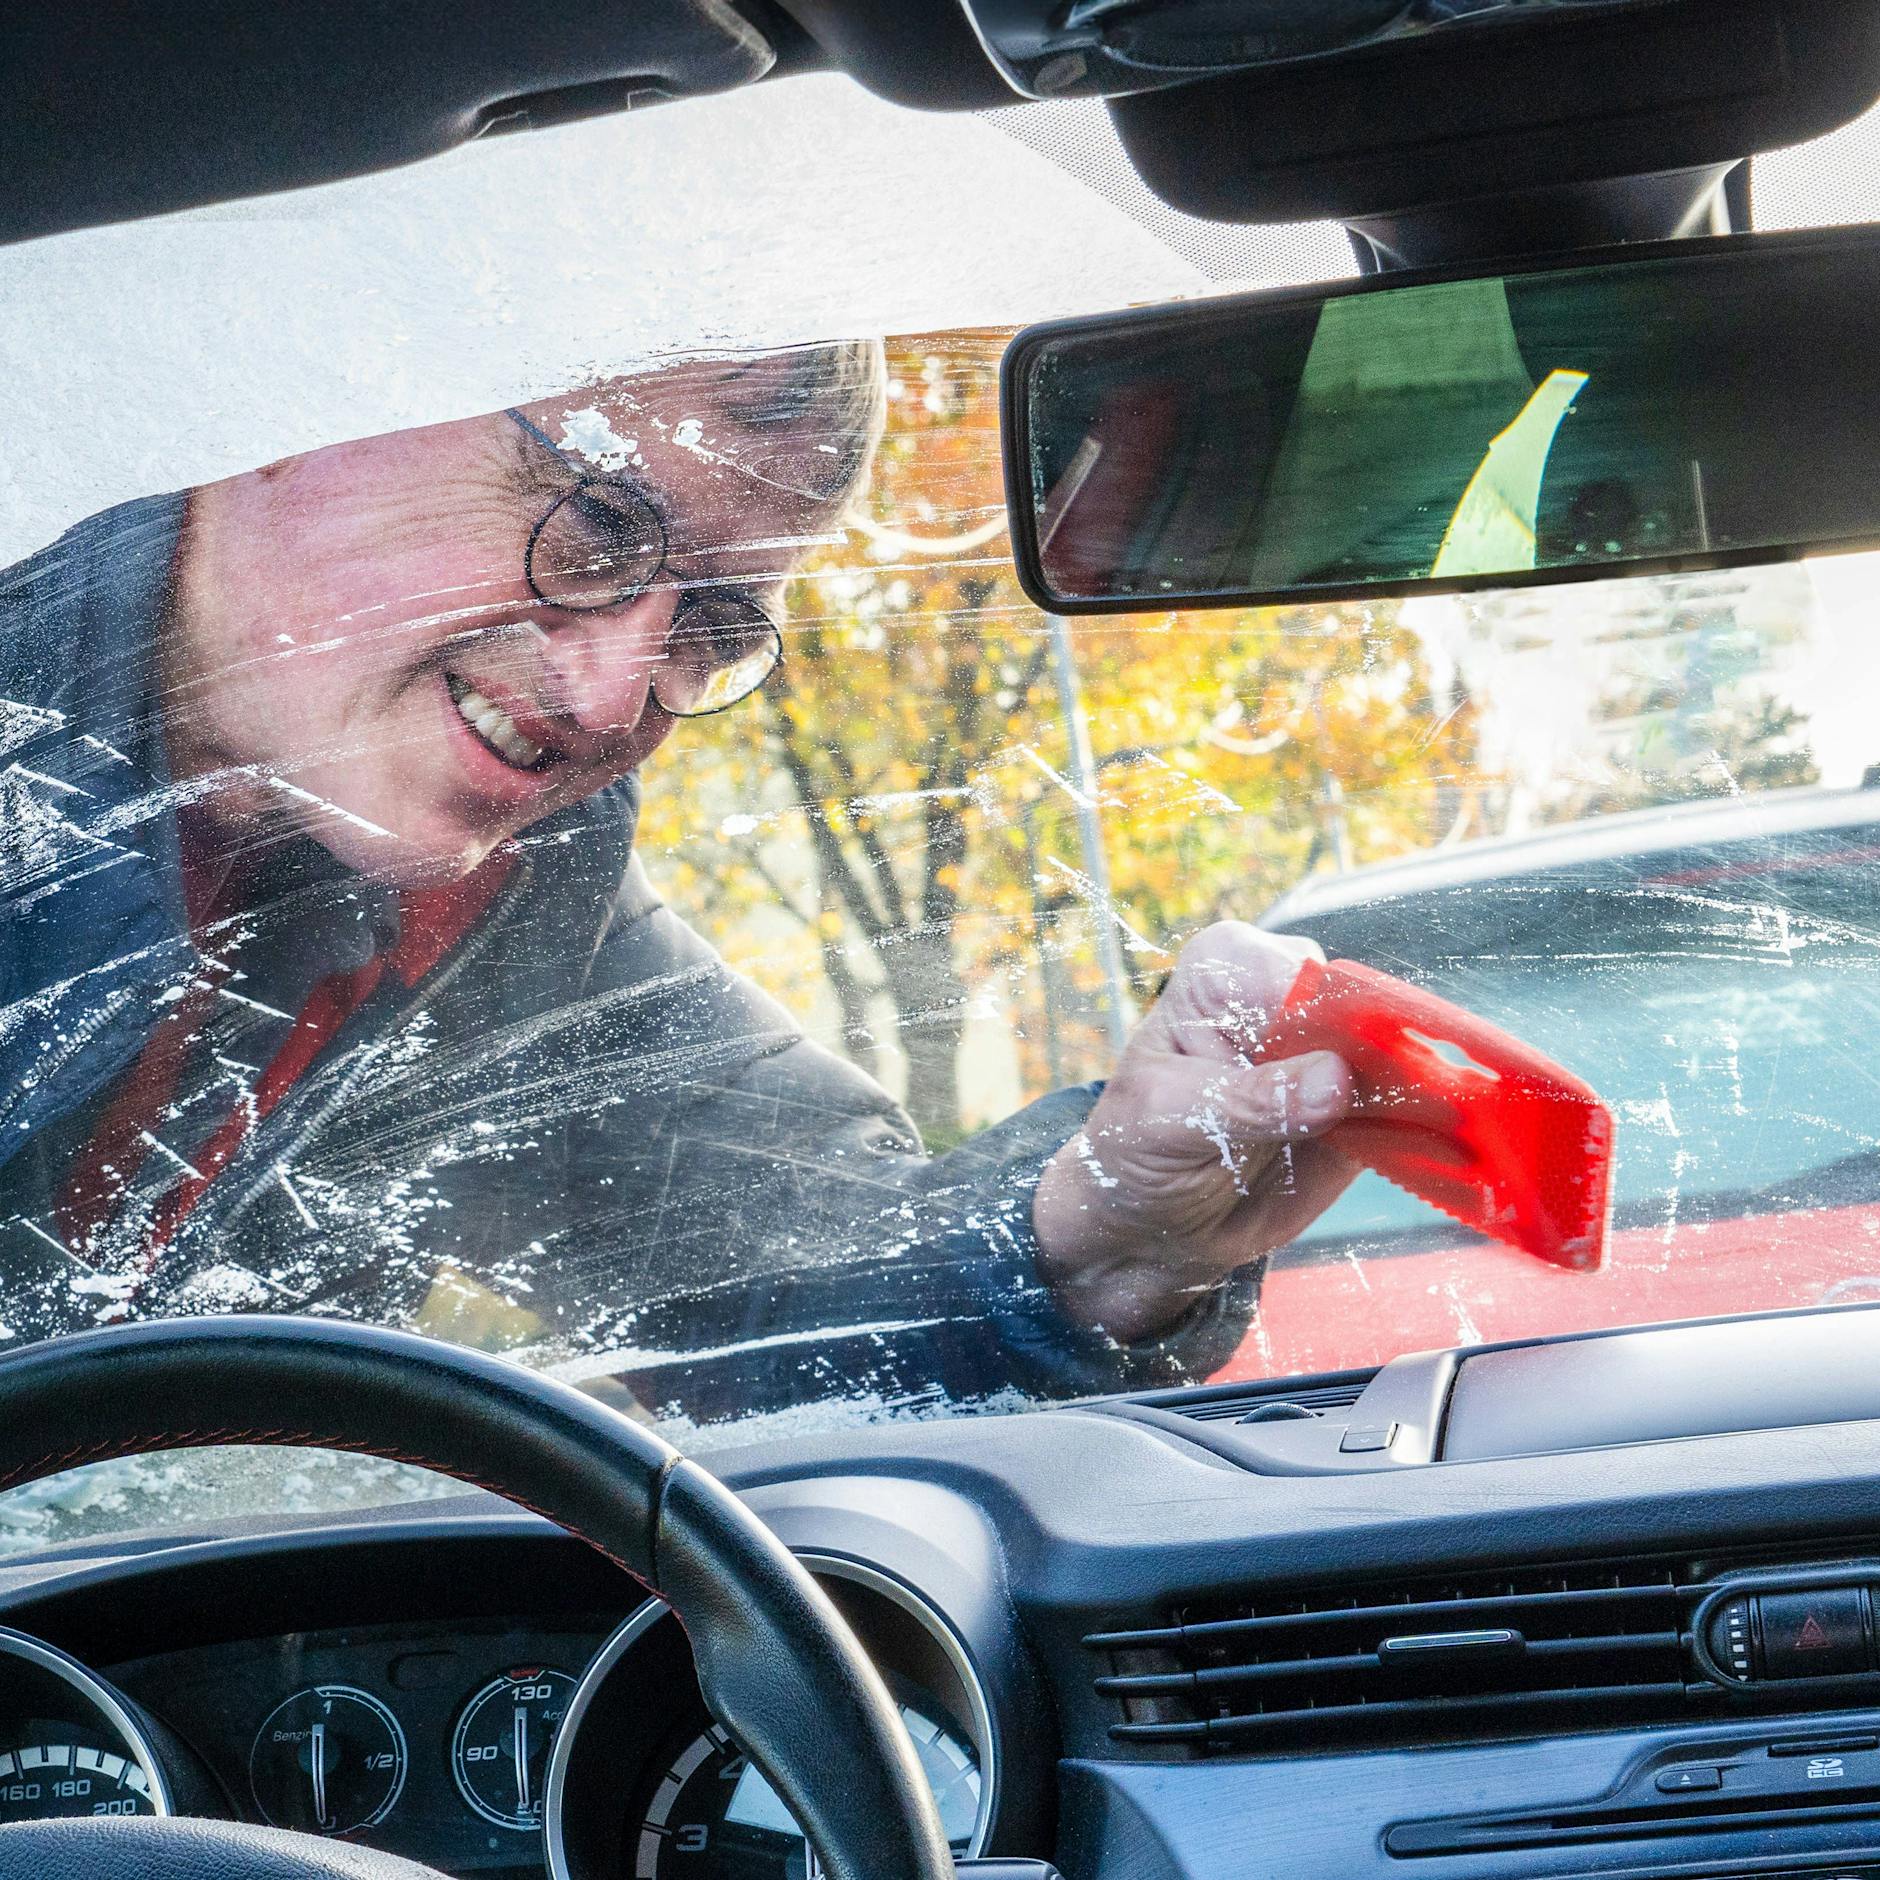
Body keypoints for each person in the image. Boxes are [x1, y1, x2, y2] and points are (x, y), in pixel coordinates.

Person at [0, 341, 1357, 1424]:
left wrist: (1095, 1239)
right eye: (594, 529)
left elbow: (771, 1270)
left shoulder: (512, 903)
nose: (610, 695)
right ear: (285, 406)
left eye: (710, 624)